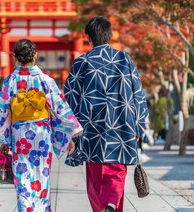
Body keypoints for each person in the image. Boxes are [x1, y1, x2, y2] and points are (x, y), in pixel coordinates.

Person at [64, 16, 149, 212]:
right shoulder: (124, 59)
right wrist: (138, 127)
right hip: (121, 128)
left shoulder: (82, 62)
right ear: (109, 36)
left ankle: (105, 207)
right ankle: (111, 205)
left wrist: (71, 132)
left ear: (89, 38)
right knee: (116, 173)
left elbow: (70, 97)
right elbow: (138, 95)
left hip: (91, 129)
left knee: (95, 179)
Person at [0, 39, 82, 212]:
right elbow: (60, 106)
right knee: (42, 174)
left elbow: (2, 111)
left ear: (15, 57)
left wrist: (5, 140)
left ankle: (25, 208)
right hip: (42, 133)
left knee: (22, 177)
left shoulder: (10, 81)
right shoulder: (46, 79)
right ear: (36, 56)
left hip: (20, 134)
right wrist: (67, 135)